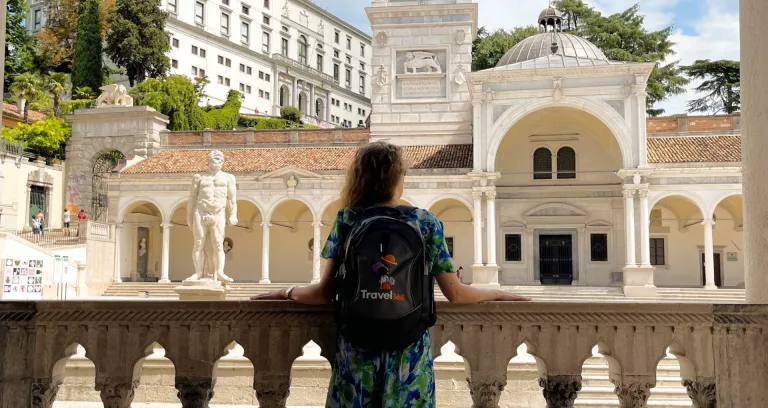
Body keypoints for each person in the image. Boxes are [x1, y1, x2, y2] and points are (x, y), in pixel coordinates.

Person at [252, 142, 530, 407]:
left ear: (361, 179)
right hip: (408, 350)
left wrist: (284, 292)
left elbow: (323, 293)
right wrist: (497, 292)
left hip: (357, 350)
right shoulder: (425, 222)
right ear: (397, 179)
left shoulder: (347, 219)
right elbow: (456, 293)